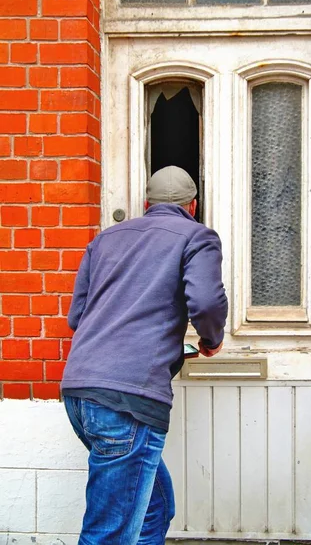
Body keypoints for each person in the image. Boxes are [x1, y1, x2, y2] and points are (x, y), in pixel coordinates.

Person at [61, 165, 228, 545]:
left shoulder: (104, 240)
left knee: (155, 507)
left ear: (146, 203)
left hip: (79, 392)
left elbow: (77, 317)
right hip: (128, 402)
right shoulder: (197, 236)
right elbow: (205, 301)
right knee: (110, 535)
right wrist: (211, 340)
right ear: (193, 206)